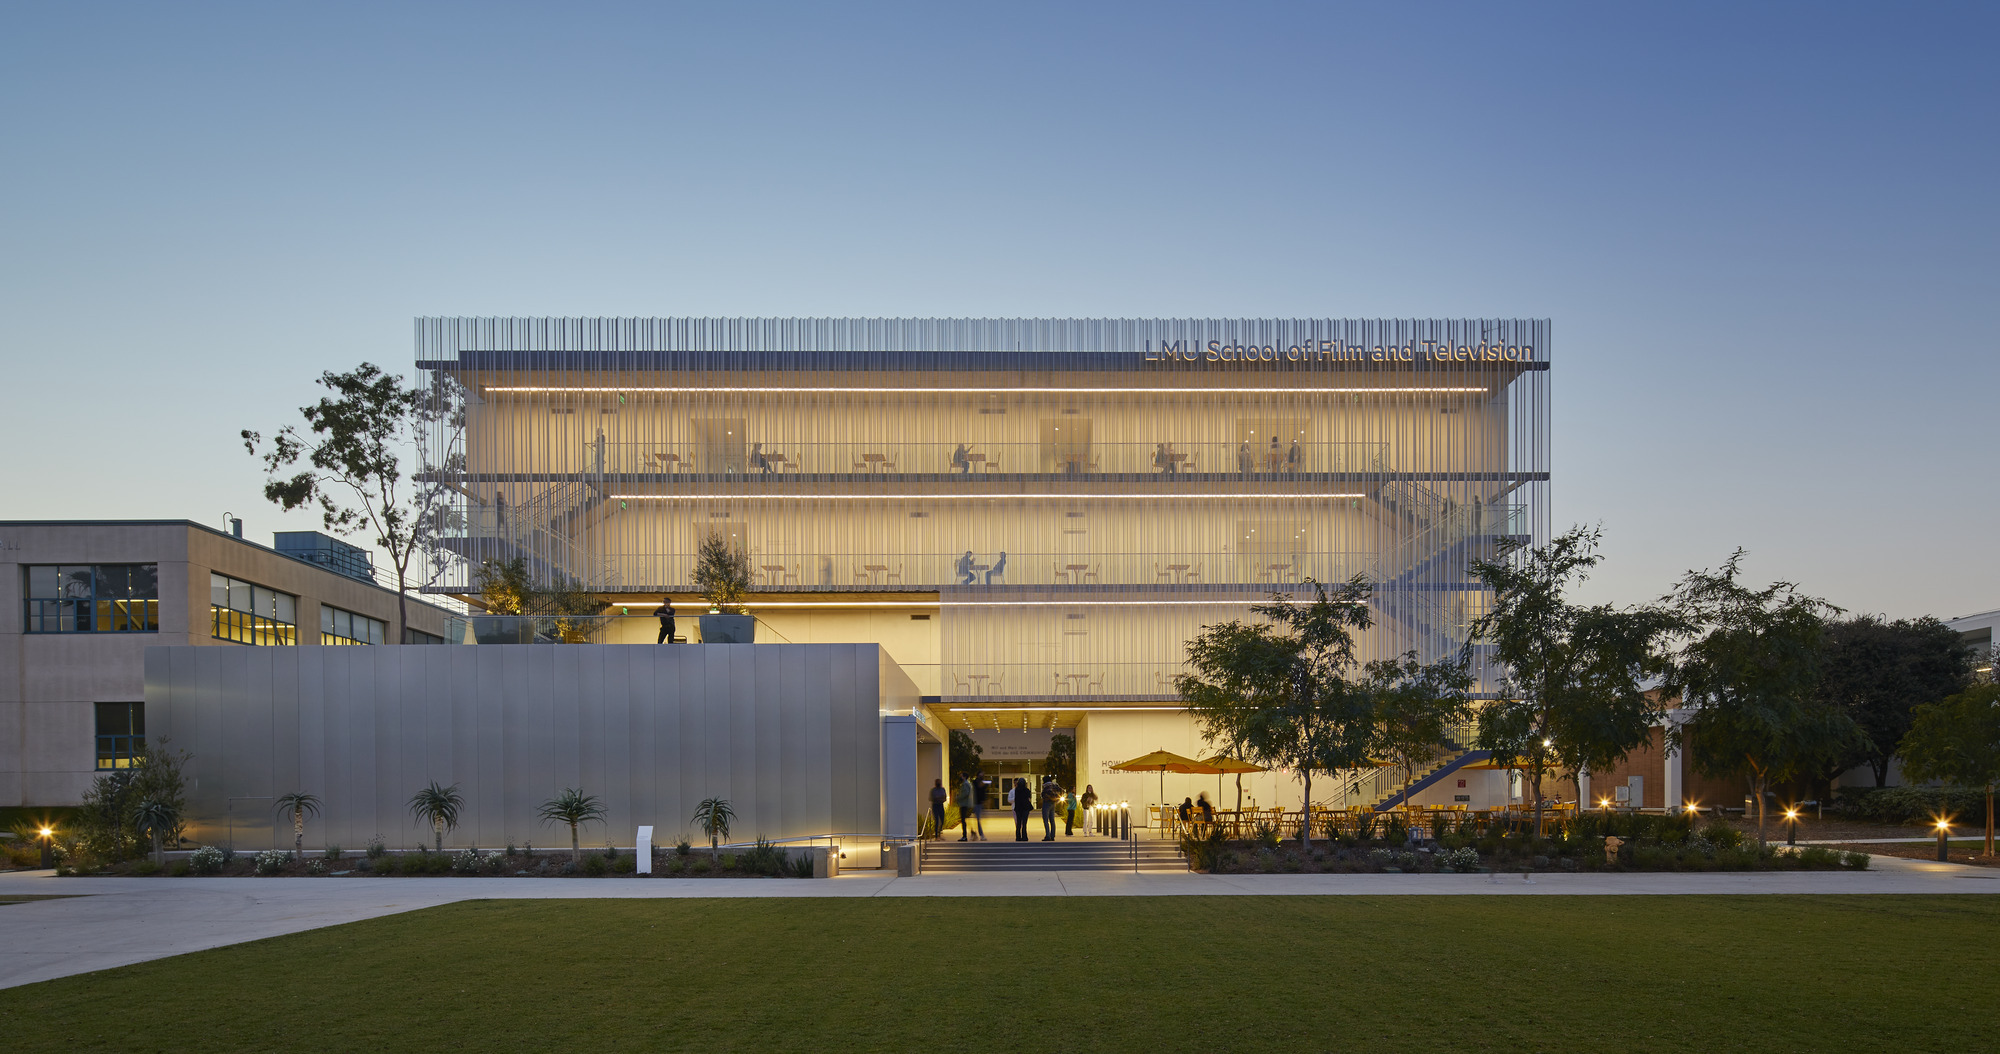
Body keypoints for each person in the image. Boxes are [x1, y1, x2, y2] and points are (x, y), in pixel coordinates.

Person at [957, 774, 984, 840]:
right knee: (966, 820)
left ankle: (965, 836)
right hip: (966, 804)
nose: (960, 777)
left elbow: (965, 793)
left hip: (964, 804)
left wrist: (958, 797)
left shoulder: (965, 784)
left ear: (964, 777)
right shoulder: (967, 783)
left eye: (961, 776)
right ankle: (971, 833)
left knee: (964, 820)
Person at [1039, 776, 1061, 841]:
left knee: (1045, 820)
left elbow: (1043, 795)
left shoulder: (1046, 786)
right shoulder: (1054, 785)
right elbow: (1061, 791)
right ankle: (1052, 835)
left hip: (1046, 803)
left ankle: (1048, 835)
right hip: (1053, 803)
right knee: (1052, 820)